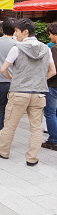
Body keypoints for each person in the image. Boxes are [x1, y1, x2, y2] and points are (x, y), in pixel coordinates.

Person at [0, 18, 56, 166]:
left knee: (10, 124)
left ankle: (3, 151)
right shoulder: (46, 48)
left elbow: (3, 69)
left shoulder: (17, 48)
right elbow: (53, 71)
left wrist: (13, 79)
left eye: (17, 31)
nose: (15, 34)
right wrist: (40, 80)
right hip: (38, 93)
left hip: (19, 92)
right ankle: (32, 159)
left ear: (25, 32)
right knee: (36, 128)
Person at [42, 22, 57, 150]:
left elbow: (53, 70)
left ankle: (53, 140)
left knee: (50, 112)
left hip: (53, 85)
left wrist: (43, 80)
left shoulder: (55, 49)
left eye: (51, 35)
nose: (50, 37)